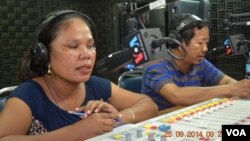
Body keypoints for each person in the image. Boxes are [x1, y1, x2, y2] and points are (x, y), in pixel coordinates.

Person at [0, 10, 158, 140]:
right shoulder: (28, 96)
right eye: (74, 46)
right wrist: (77, 132)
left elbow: (149, 104)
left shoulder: (97, 85)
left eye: (91, 46)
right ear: (45, 56)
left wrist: (116, 118)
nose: (86, 54)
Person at [142, 14, 250, 111]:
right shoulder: (155, 67)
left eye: (206, 43)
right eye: (200, 43)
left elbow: (226, 81)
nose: (205, 48)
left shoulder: (200, 63)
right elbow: (176, 95)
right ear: (178, 42)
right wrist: (231, 89)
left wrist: (241, 89)